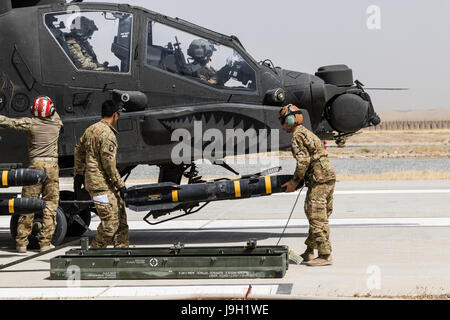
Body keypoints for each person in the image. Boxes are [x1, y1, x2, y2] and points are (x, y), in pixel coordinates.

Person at [0, 96, 63, 253]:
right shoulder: (56, 123)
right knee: (50, 205)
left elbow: (9, 122)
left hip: (34, 167)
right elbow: (53, 112)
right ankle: (45, 243)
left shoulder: (30, 124)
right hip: (52, 167)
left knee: (28, 204)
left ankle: (22, 243)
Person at [280, 104, 336, 267]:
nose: (283, 126)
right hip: (325, 177)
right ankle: (310, 251)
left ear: (290, 120)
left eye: (283, 122)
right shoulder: (305, 132)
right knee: (315, 213)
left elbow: (303, 162)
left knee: (316, 217)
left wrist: (293, 183)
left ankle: (325, 255)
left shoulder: (298, 135)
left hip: (320, 179)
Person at [73, 100, 129, 249]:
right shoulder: (108, 135)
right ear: (115, 115)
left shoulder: (90, 130)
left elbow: (78, 150)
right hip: (100, 185)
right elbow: (108, 164)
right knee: (110, 222)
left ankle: (122, 248)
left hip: (103, 183)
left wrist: (78, 175)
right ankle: (94, 251)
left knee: (121, 217)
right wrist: (121, 185)